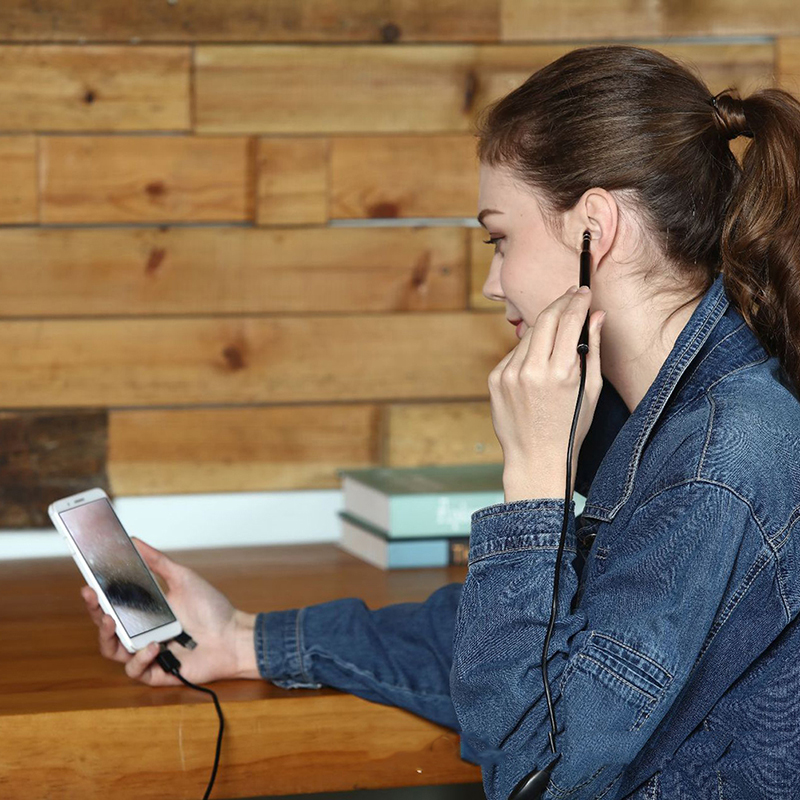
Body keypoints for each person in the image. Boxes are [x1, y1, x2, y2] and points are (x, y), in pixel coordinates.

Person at [81, 44, 800, 800]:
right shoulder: (669, 425)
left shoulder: (719, 465)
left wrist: (533, 482)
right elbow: (531, 650)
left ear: (595, 226)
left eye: (499, 238)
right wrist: (242, 638)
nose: (491, 282)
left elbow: (536, 772)